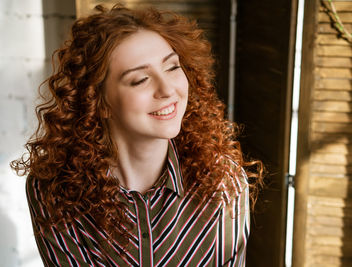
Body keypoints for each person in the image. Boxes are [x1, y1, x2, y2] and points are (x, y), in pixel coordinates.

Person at [11, 4, 264, 267]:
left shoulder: (223, 181)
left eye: (172, 67)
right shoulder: (53, 190)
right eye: (140, 79)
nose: (167, 89)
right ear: (99, 102)